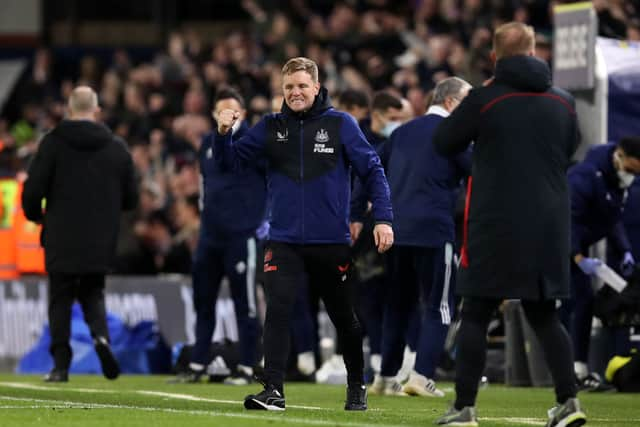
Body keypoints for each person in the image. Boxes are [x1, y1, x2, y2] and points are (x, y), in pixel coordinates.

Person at [215, 57, 393, 411]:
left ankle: (356, 386)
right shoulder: (269, 126)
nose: (295, 93)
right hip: (283, 240)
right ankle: (274, 390)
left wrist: (384, 218)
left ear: (316, 87)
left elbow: (372, 170)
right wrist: (223, 135)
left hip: (331, 242)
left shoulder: (341, 124)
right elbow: (230, 164)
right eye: (289, 87)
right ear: (282, 91)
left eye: (301, 86)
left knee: (344, 317)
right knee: (278, 310)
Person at [432, 23, 586, 426]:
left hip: (496, 222)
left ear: (495, 57)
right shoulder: (565, 102)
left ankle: (464, 408)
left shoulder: (484, 99)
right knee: (544, 315)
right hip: (549, 224)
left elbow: (444, 141)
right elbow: (571, 148)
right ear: (535, 51)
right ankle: (569, 401)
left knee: (477, 313)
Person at [22, 86, 138, 382]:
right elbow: (132, 198)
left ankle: (61, 365)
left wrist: (37, 215)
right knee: (92, 292)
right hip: (100, 237)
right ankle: (101, 337)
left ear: (69, 110)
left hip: (61, 234)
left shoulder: (52, 144)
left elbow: (33, 190)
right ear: (96, 110)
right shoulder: (116, 148)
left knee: (60, 297)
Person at [370, 77, 472, 398]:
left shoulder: (401, 132)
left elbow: (374, 169)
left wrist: (362, 213)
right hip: (433, 229)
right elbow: (477, 172)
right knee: (439, 305)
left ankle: (386, 377)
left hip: (396, 230)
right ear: (452, 102)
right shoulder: (453, 134)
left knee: (397, 305)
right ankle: (422, 375)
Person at [170, 87, 267, 385]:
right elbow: (203, 186)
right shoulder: (207, 144)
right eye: (221, 111)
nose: (227, 116)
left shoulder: (255, 142)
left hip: (242, 235)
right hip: (210, 236)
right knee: (203, 301)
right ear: (213, 115)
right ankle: (198, 362)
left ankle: (248, 367)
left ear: (244, 114)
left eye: (233, 111)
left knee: (245, 304)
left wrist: (262, 222)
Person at [566, 136, 640, 390]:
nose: (631, 176)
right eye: (630, 170)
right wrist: (577, 257)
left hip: (577, 245)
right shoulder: (585, 177)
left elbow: (613, 219)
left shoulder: (615, 182)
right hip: (558, 243)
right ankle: (572, 369)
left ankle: (575, 368)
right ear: (618, 156)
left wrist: (625, 251)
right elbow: (568, 219)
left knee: (582, 300)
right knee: (574, 301)